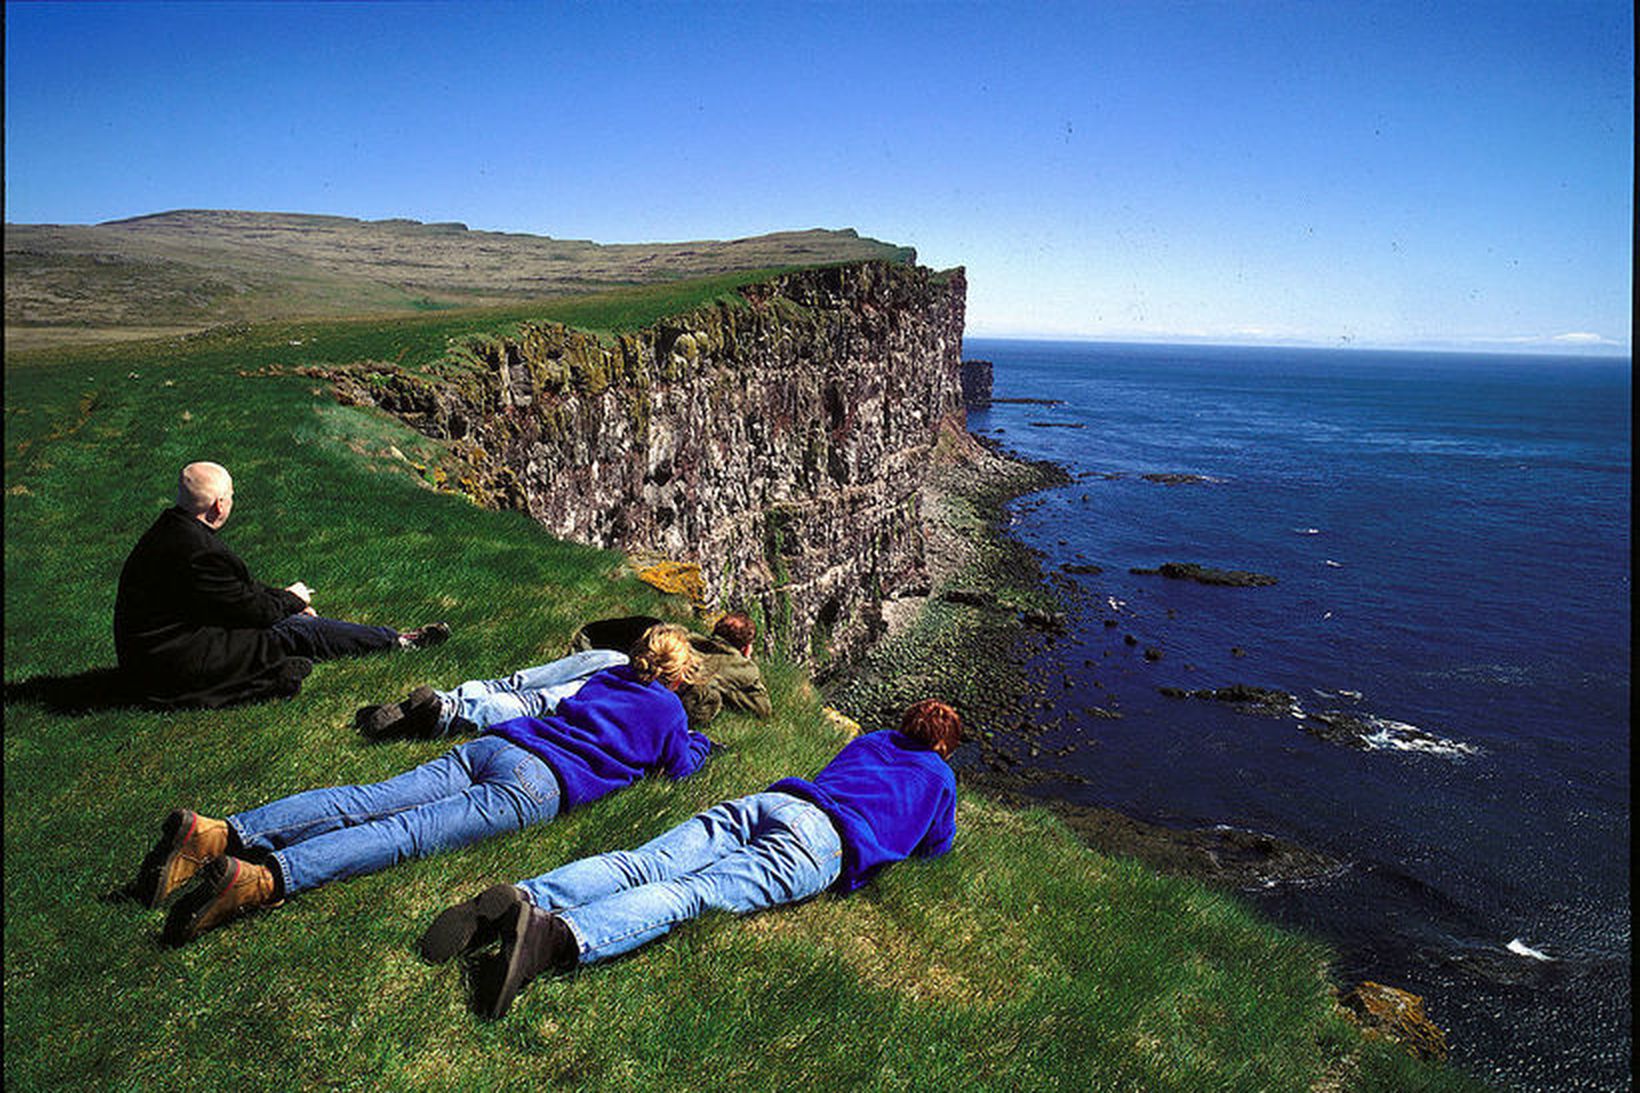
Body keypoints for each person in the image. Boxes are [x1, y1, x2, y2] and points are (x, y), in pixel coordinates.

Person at [133, 624, 713, 945]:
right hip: (540, 783)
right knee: (405, 834)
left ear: (638, 652)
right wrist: (703, 743)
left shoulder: (607, 675)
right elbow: (678, 766)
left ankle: (220, 833)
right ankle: (264, 878)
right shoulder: (671, 714)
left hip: (502, 743)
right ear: (679, 674)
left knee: (368, 799)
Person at [420, 698, 962, 1018]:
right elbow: (937, 844)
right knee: (692, 893)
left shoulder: (869, 742)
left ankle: (519, 898)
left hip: (773, 801)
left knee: (644, 862)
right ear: (945, 746)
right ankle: (554, 938)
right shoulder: (940, 776)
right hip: (823, 842)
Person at [113, 461, 448, 708]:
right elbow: (253, 611)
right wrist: (293, 601)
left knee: (291, 620)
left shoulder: (171, 532)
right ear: (219, 505)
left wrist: (287, 599)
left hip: (154, 656)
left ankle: (282, 669)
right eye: (231, 495)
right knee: (294, 631)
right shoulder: (200, 552)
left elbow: (235, 594)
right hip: (171, 667)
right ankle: (399, 641)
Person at [359, 611, 771, 738]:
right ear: (748, 646)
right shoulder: (741, 668)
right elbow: (762, 709)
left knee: (517, 682)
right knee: (537, 703)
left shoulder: (684, 635)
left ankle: (434, 700)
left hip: (608, 656)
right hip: (626, 679)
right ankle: (445, 713)